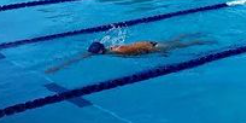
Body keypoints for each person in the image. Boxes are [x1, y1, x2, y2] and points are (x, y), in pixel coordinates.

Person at [46, 34, 209, 73]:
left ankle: (201, 41)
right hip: (148, 43)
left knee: (180, 46)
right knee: (175, 41)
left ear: (100, 52)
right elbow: (84, 56)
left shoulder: (119, 51)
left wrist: (159, 53)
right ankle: (191, 35)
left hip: (152, 46)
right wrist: (59, 67)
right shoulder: (109, 49)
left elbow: (140, 50)